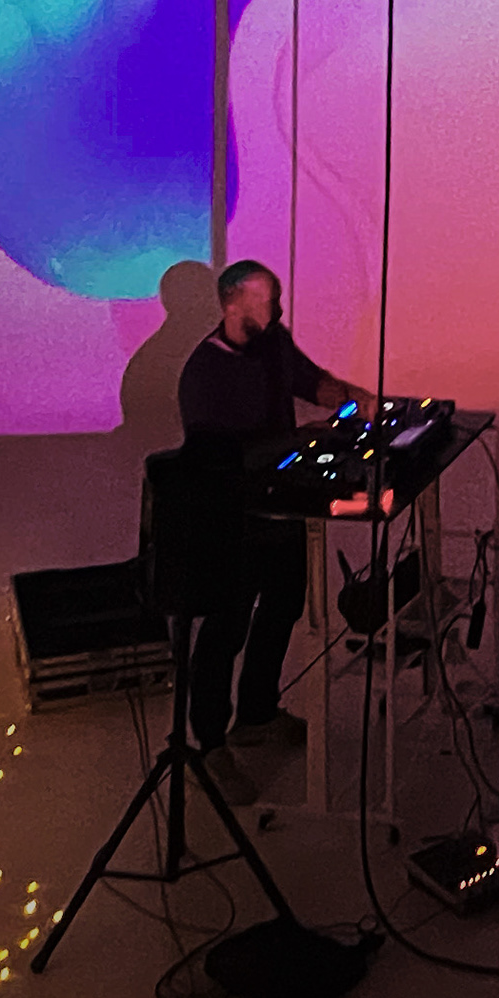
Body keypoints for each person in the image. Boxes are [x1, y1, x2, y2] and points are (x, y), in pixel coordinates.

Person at [172, 260, 361, 754]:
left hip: (283, 509)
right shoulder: (203, 373)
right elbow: (224, 458)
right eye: (266, 301)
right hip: (232, 519)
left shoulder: (273, 341)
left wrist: (352, 397)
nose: (277, 309)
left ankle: (258, 712)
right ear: (231, 304)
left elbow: (311, 381)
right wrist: (301, 439)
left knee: (284, 606)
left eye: (276, 299)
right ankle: (210, 740)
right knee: (227, 627)